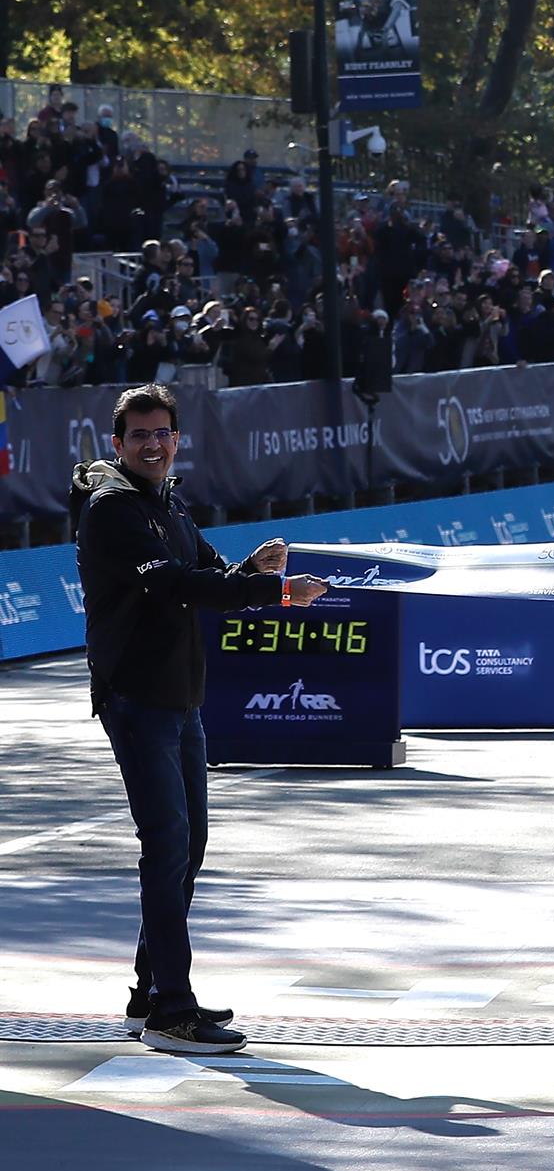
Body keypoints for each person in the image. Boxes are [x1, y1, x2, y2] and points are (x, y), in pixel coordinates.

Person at [70, 384, 330, 1055]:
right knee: (166, 847)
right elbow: (177, 585)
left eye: (164, 434)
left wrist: (254, 571)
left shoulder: (169, 509)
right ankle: (172, 1013)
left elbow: (212, 576)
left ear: (177, 438)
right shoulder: (114, 512)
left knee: (189, 846)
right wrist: (272, 590)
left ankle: (148, 992)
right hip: (137, 700)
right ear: (118, 444)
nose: (154, 446)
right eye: (140, 436)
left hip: (180, 701)